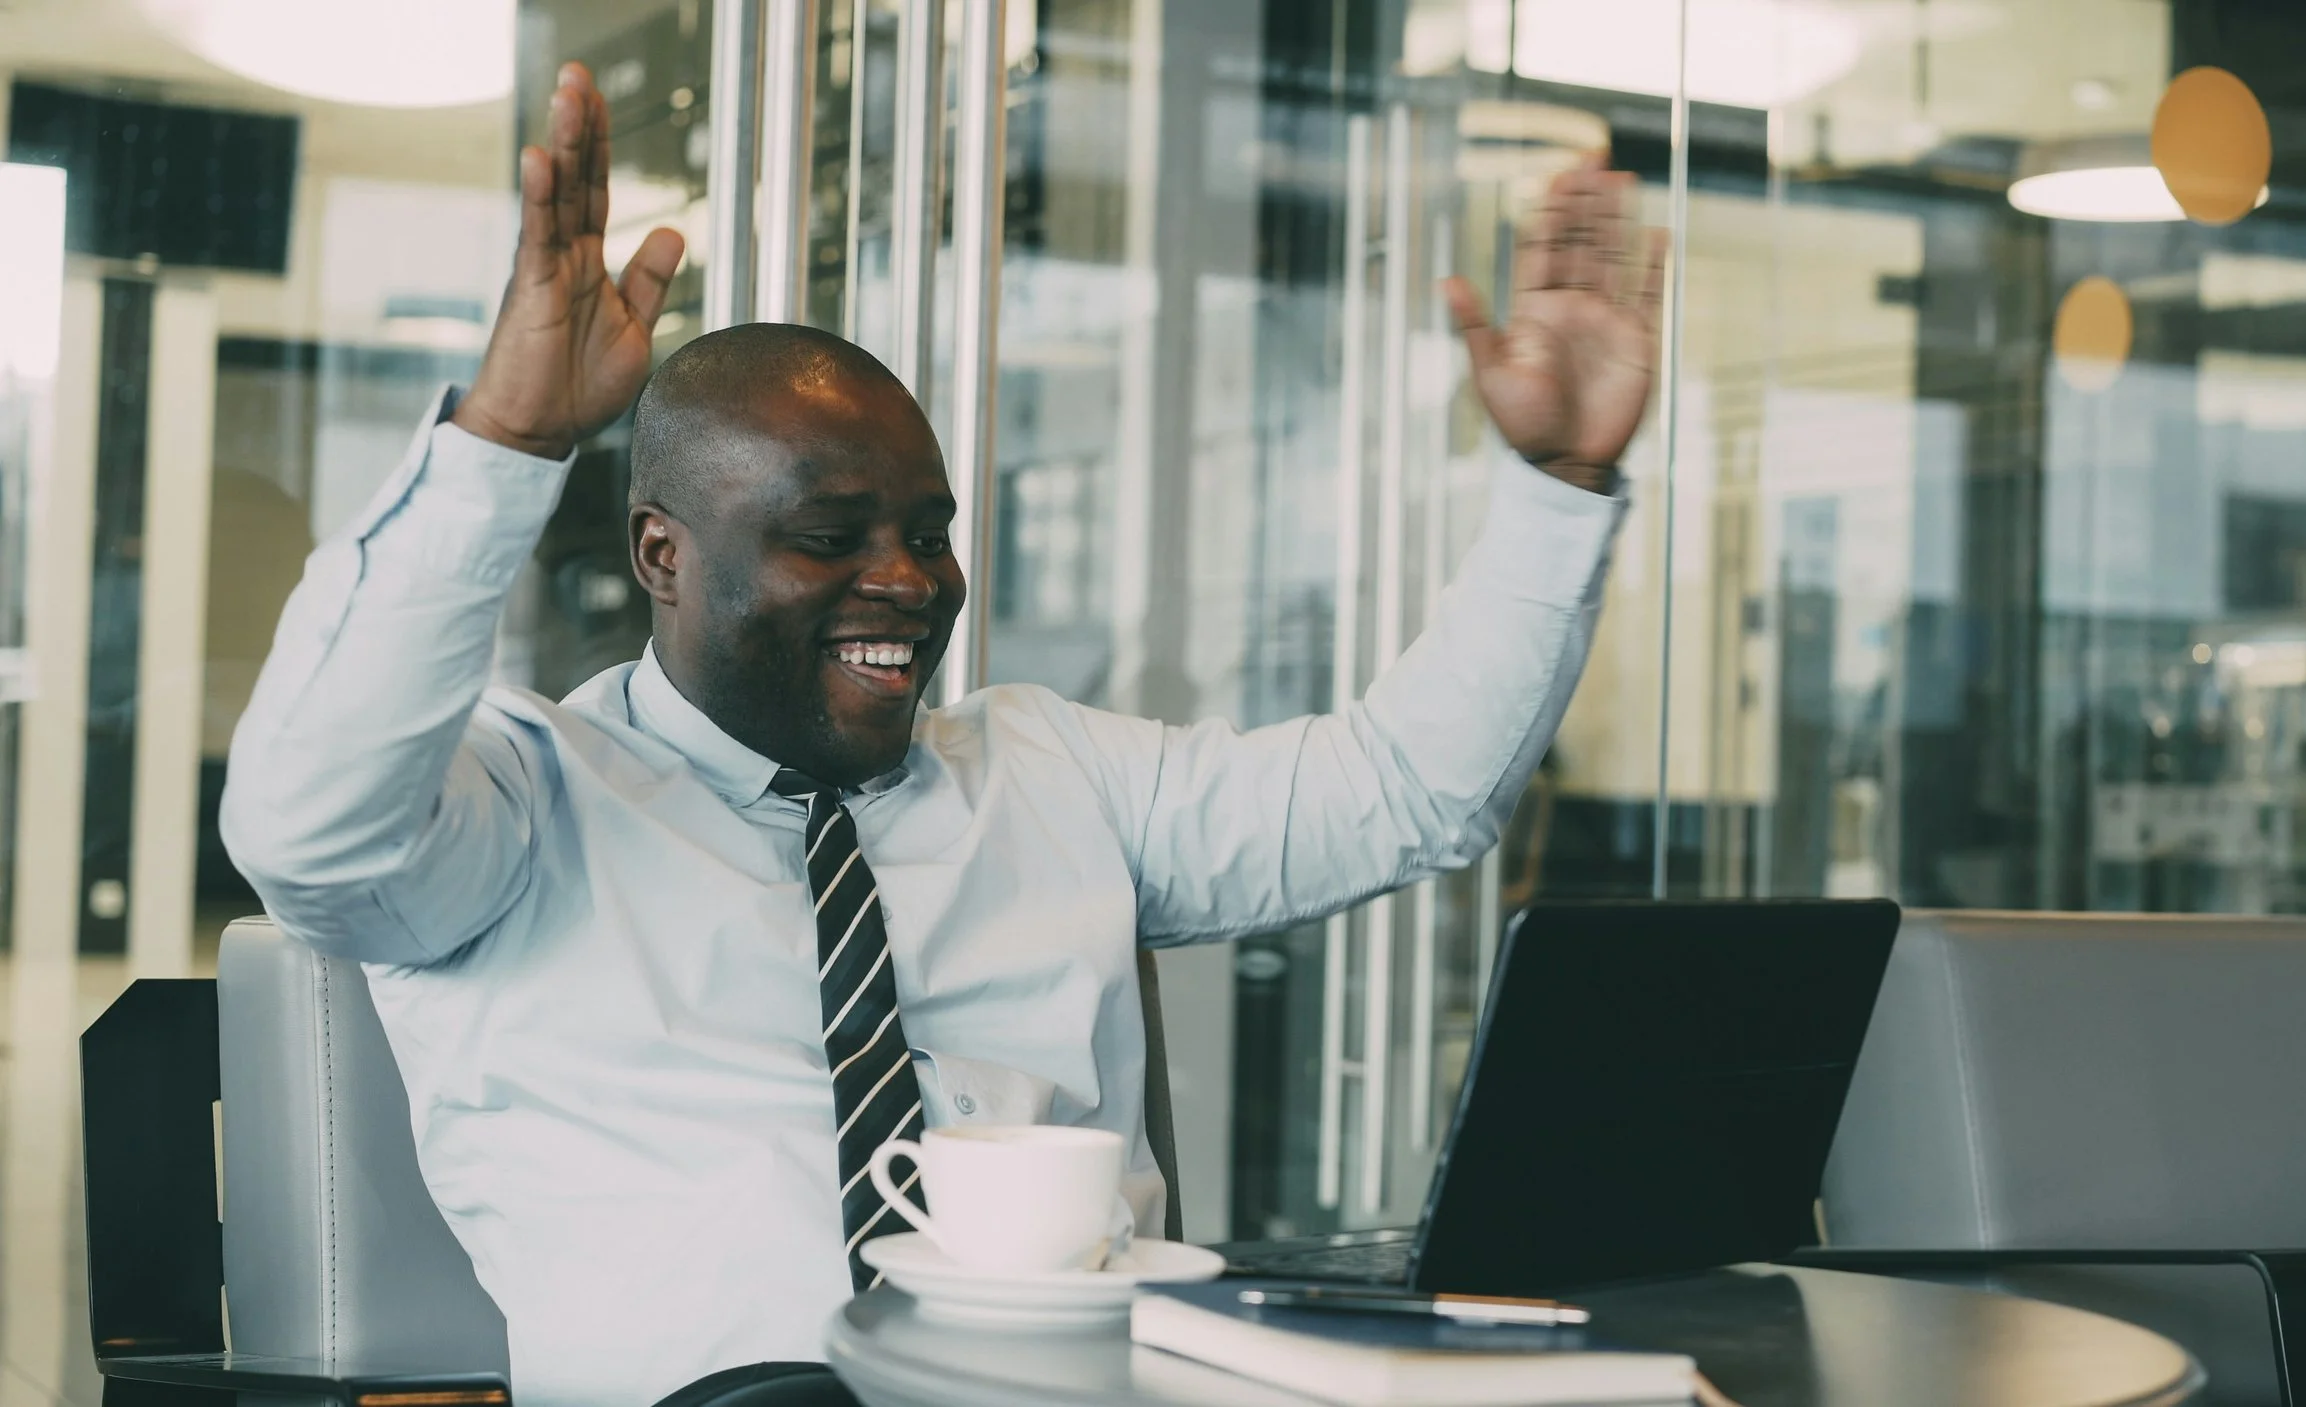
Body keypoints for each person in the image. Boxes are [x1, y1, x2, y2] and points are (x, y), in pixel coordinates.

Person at [220, 62, 1665, 1407]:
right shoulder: (520, 807)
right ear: (663, 553)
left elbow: (1403, 791)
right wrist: (504, 447)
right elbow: (309, 831)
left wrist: (1562, 479)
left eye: (928, 533)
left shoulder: (1049, 773)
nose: (908, 583)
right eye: (829, 537)